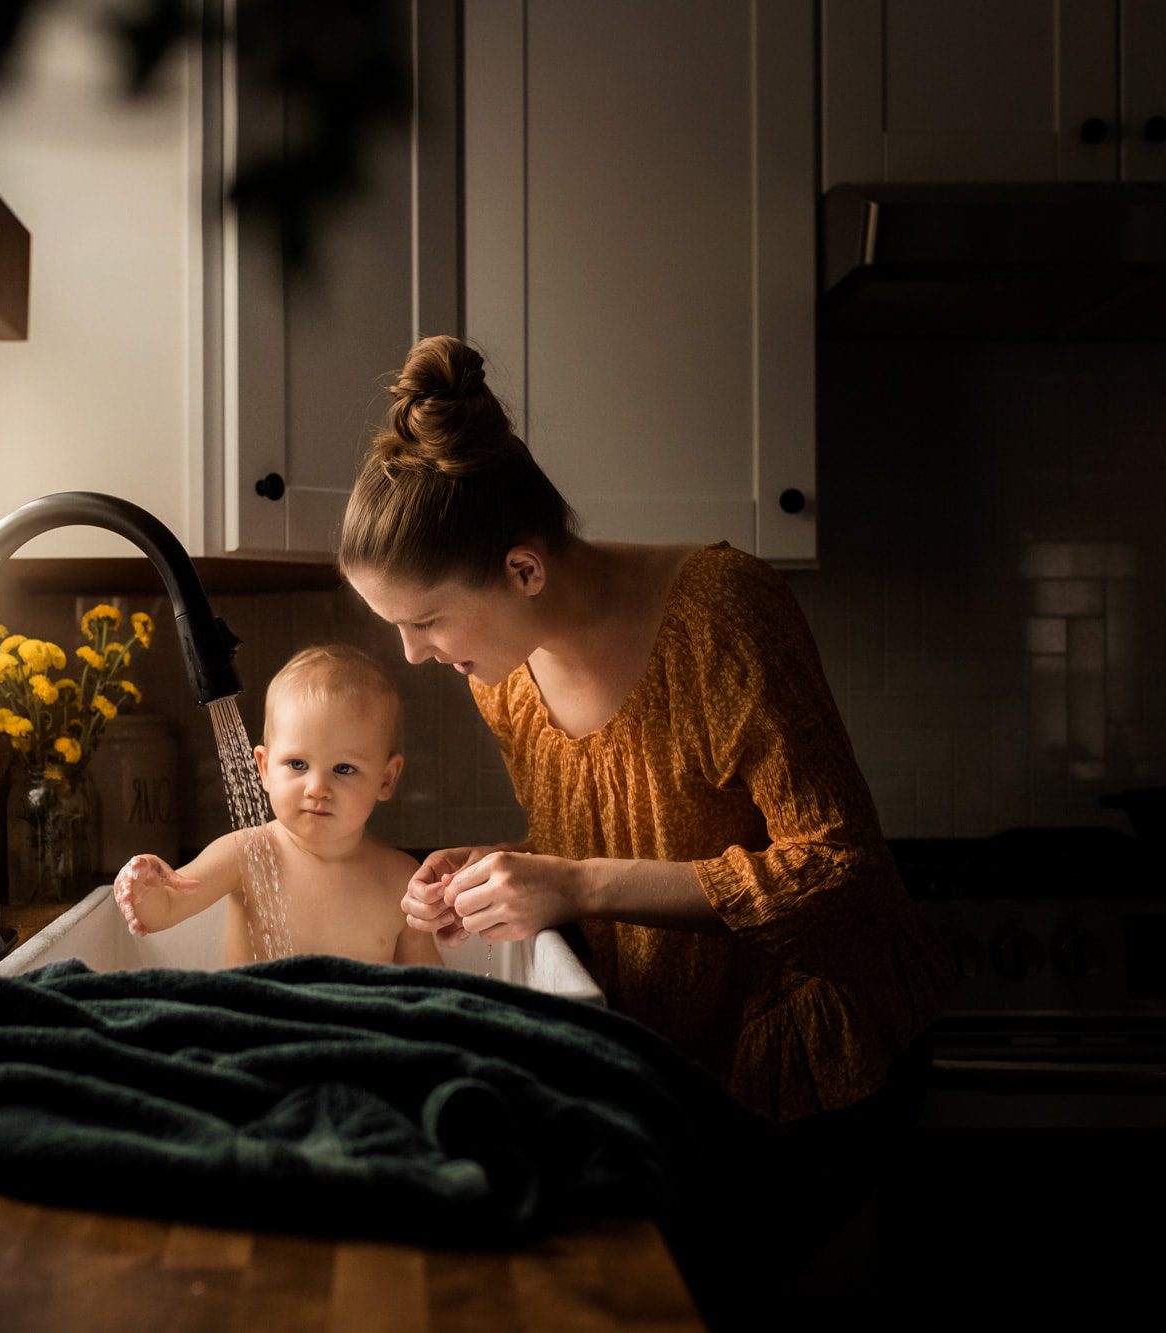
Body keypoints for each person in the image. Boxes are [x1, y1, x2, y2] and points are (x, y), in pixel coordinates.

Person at [339, 334, 956, 1280]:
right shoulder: (500, 675)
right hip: (678, 1060)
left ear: (525, 569)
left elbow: (841, 874)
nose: (415, 654)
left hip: (818, 1054)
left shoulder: (723, 612)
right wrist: (501, 871)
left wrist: (575, 881)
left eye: (425, 620)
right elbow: (608, 842)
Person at [113, 645, 441, 968]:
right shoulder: (246, 854)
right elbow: (164, 909)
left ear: (386, 779)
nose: (317, 789)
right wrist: (143, 890)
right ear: (265, 768)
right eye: (297, 764)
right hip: (257, 1021)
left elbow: (430, 987)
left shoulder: (402, 881)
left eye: (343, 769)